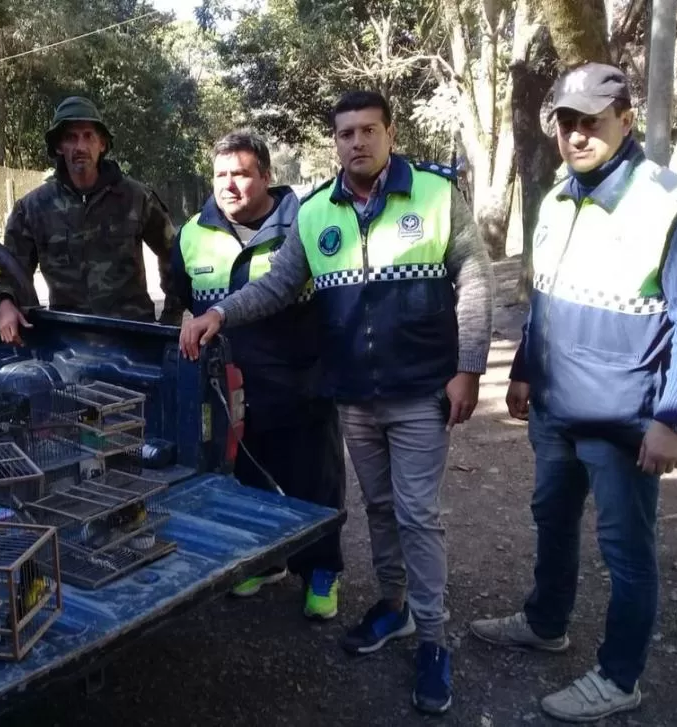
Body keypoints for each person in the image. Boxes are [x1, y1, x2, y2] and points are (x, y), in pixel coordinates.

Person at [179, 91, 494, 715]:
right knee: (379, 507)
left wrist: (469, 368)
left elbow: (476, 277)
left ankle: (433, 639)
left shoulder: (434, 195)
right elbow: (277, 285)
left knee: (417, 514)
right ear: (336, 142)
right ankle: (394, 606)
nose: (358, 142)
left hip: (419, 389)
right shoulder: (317, 210)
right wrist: (220, 312)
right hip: (354, 394)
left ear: (390, 133)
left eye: (369, 130)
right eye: (347, 133)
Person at [469, 62, 677, 723]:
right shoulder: (559, 196)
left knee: (626, 550)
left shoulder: (665, 202)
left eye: (591, 120)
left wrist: (673, 417)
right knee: (552, 517)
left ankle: (620, 676)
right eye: (566, 121)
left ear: (624, 119)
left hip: (624, 417)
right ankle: (546, 621)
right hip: (556, 407)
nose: (577, 134)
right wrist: (524, 368)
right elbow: (546, 294)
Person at [170, 130, 346, 619]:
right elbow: (179, 300)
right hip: (227, 390)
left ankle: (321, 570)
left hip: (300, 384)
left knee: (314, 480)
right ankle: (265, 562)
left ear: (267, 176)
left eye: (242, 174)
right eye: (221, 175)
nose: (229, 185)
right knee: (245, 480)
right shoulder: (191, 233)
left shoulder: (304, 222)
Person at [0, 96, 183, 341]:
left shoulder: (136, 198)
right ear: (59, 147)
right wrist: (5, 303)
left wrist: (170, 320)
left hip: (132, 339)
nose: (80, 146)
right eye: (71, 137)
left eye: (88, 136)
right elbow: (12, 270)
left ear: (102, 144)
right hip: (68, 344)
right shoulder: (33, 208)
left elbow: (173, 254)